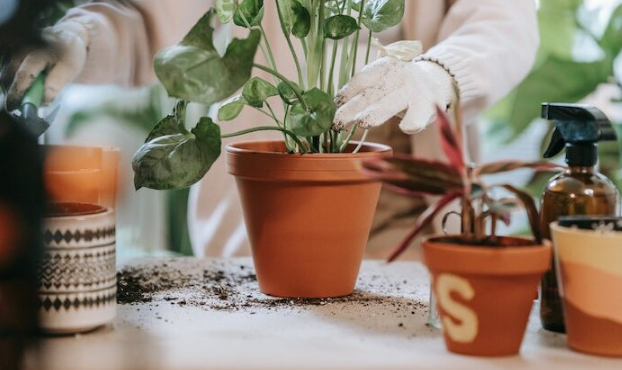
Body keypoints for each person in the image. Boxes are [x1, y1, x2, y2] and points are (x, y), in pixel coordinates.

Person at [2, 0, 539, 259]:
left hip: (406, 232)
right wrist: (80, 40)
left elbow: (503, 22)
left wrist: (437, 74)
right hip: (258, 235)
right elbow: (149, 23)